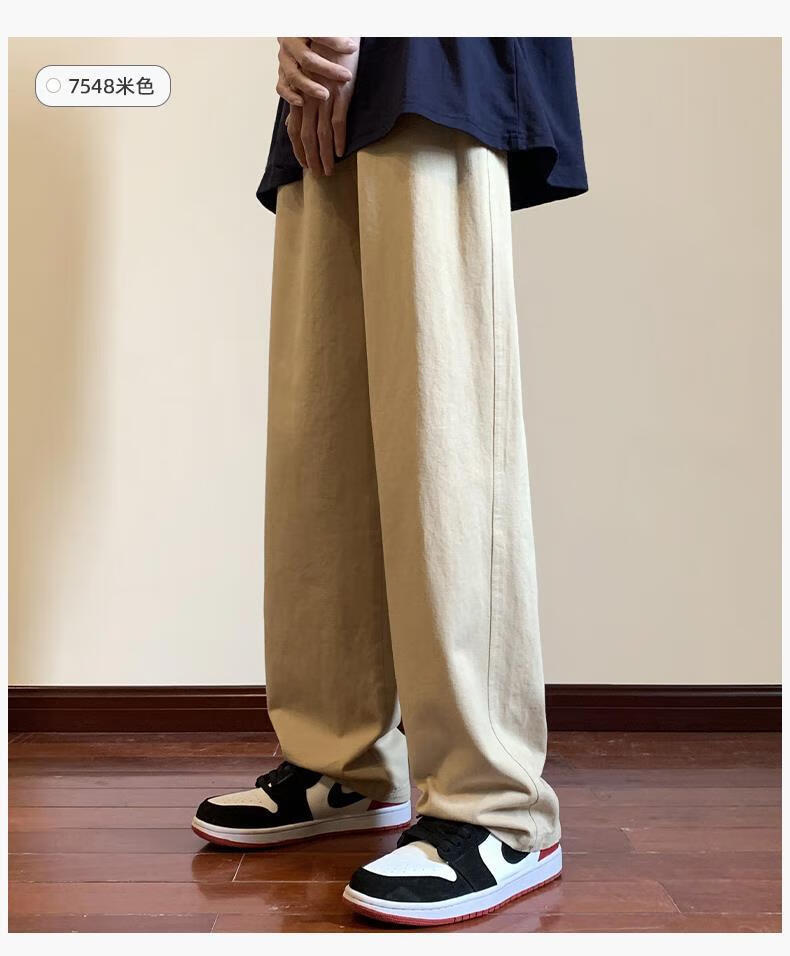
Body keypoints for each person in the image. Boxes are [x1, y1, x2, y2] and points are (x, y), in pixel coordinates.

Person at [192, 37, 587, 927]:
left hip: (435, 53)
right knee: (320, 435)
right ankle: (346, 761)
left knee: (445, 428)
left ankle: (497, 806)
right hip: (334, 72)